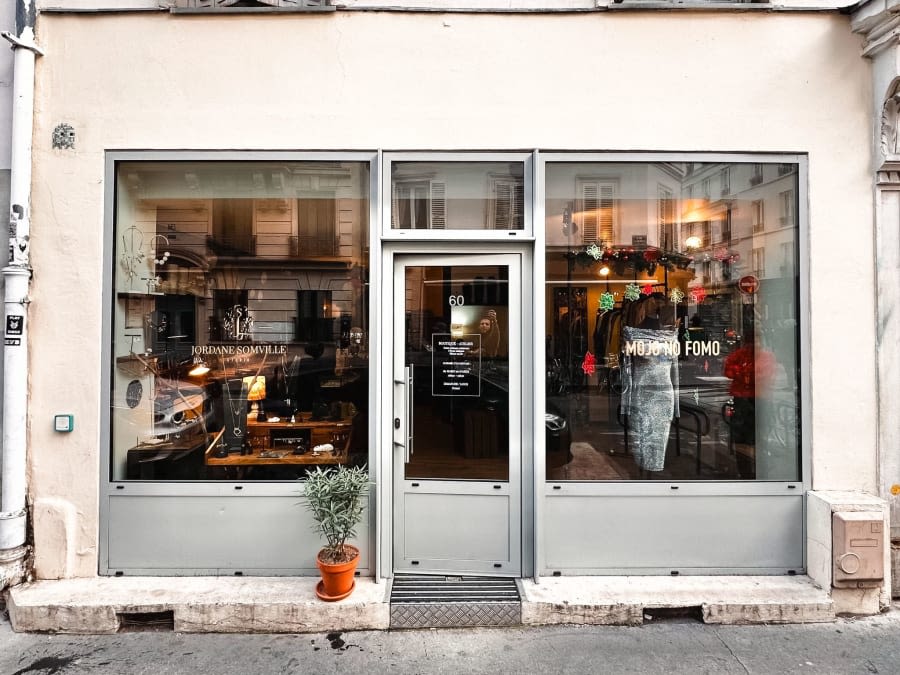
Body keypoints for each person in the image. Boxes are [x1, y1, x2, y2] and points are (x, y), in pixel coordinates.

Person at [723, 329, 777, 479]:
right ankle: (745, 474)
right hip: (742, 399)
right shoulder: (741, 354)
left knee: (760, 438)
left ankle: (761, 472)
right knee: (741, 439)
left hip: (760, 400)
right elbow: (728, 369)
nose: (754, 343)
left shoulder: (766, 356)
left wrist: (743, 372)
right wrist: (745, 372)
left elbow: (762, 375)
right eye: (752, 340)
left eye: (757, 339)